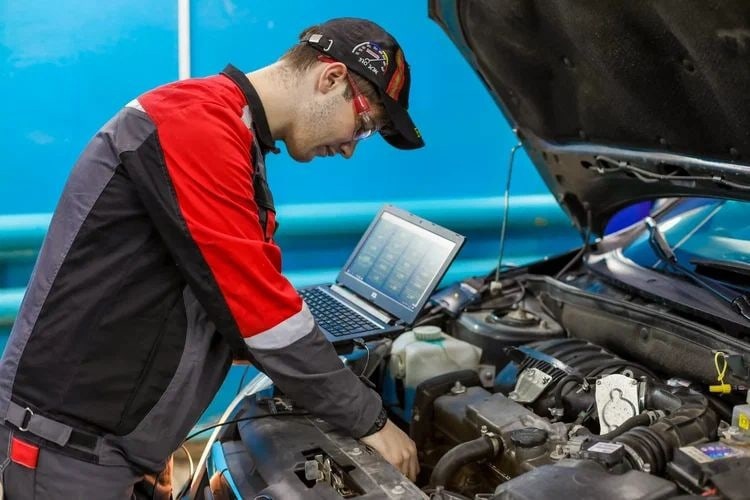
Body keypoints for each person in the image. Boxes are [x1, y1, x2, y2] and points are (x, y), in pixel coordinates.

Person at [0, 17, 423, 498]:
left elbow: (207, 297)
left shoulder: (236, 136)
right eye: (363, 127)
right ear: (331, 78)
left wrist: (149, 442)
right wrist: (370, 420)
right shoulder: (196, 122)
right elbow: (259, 310)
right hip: (68, 450)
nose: (349, 150)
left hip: (106, 445)